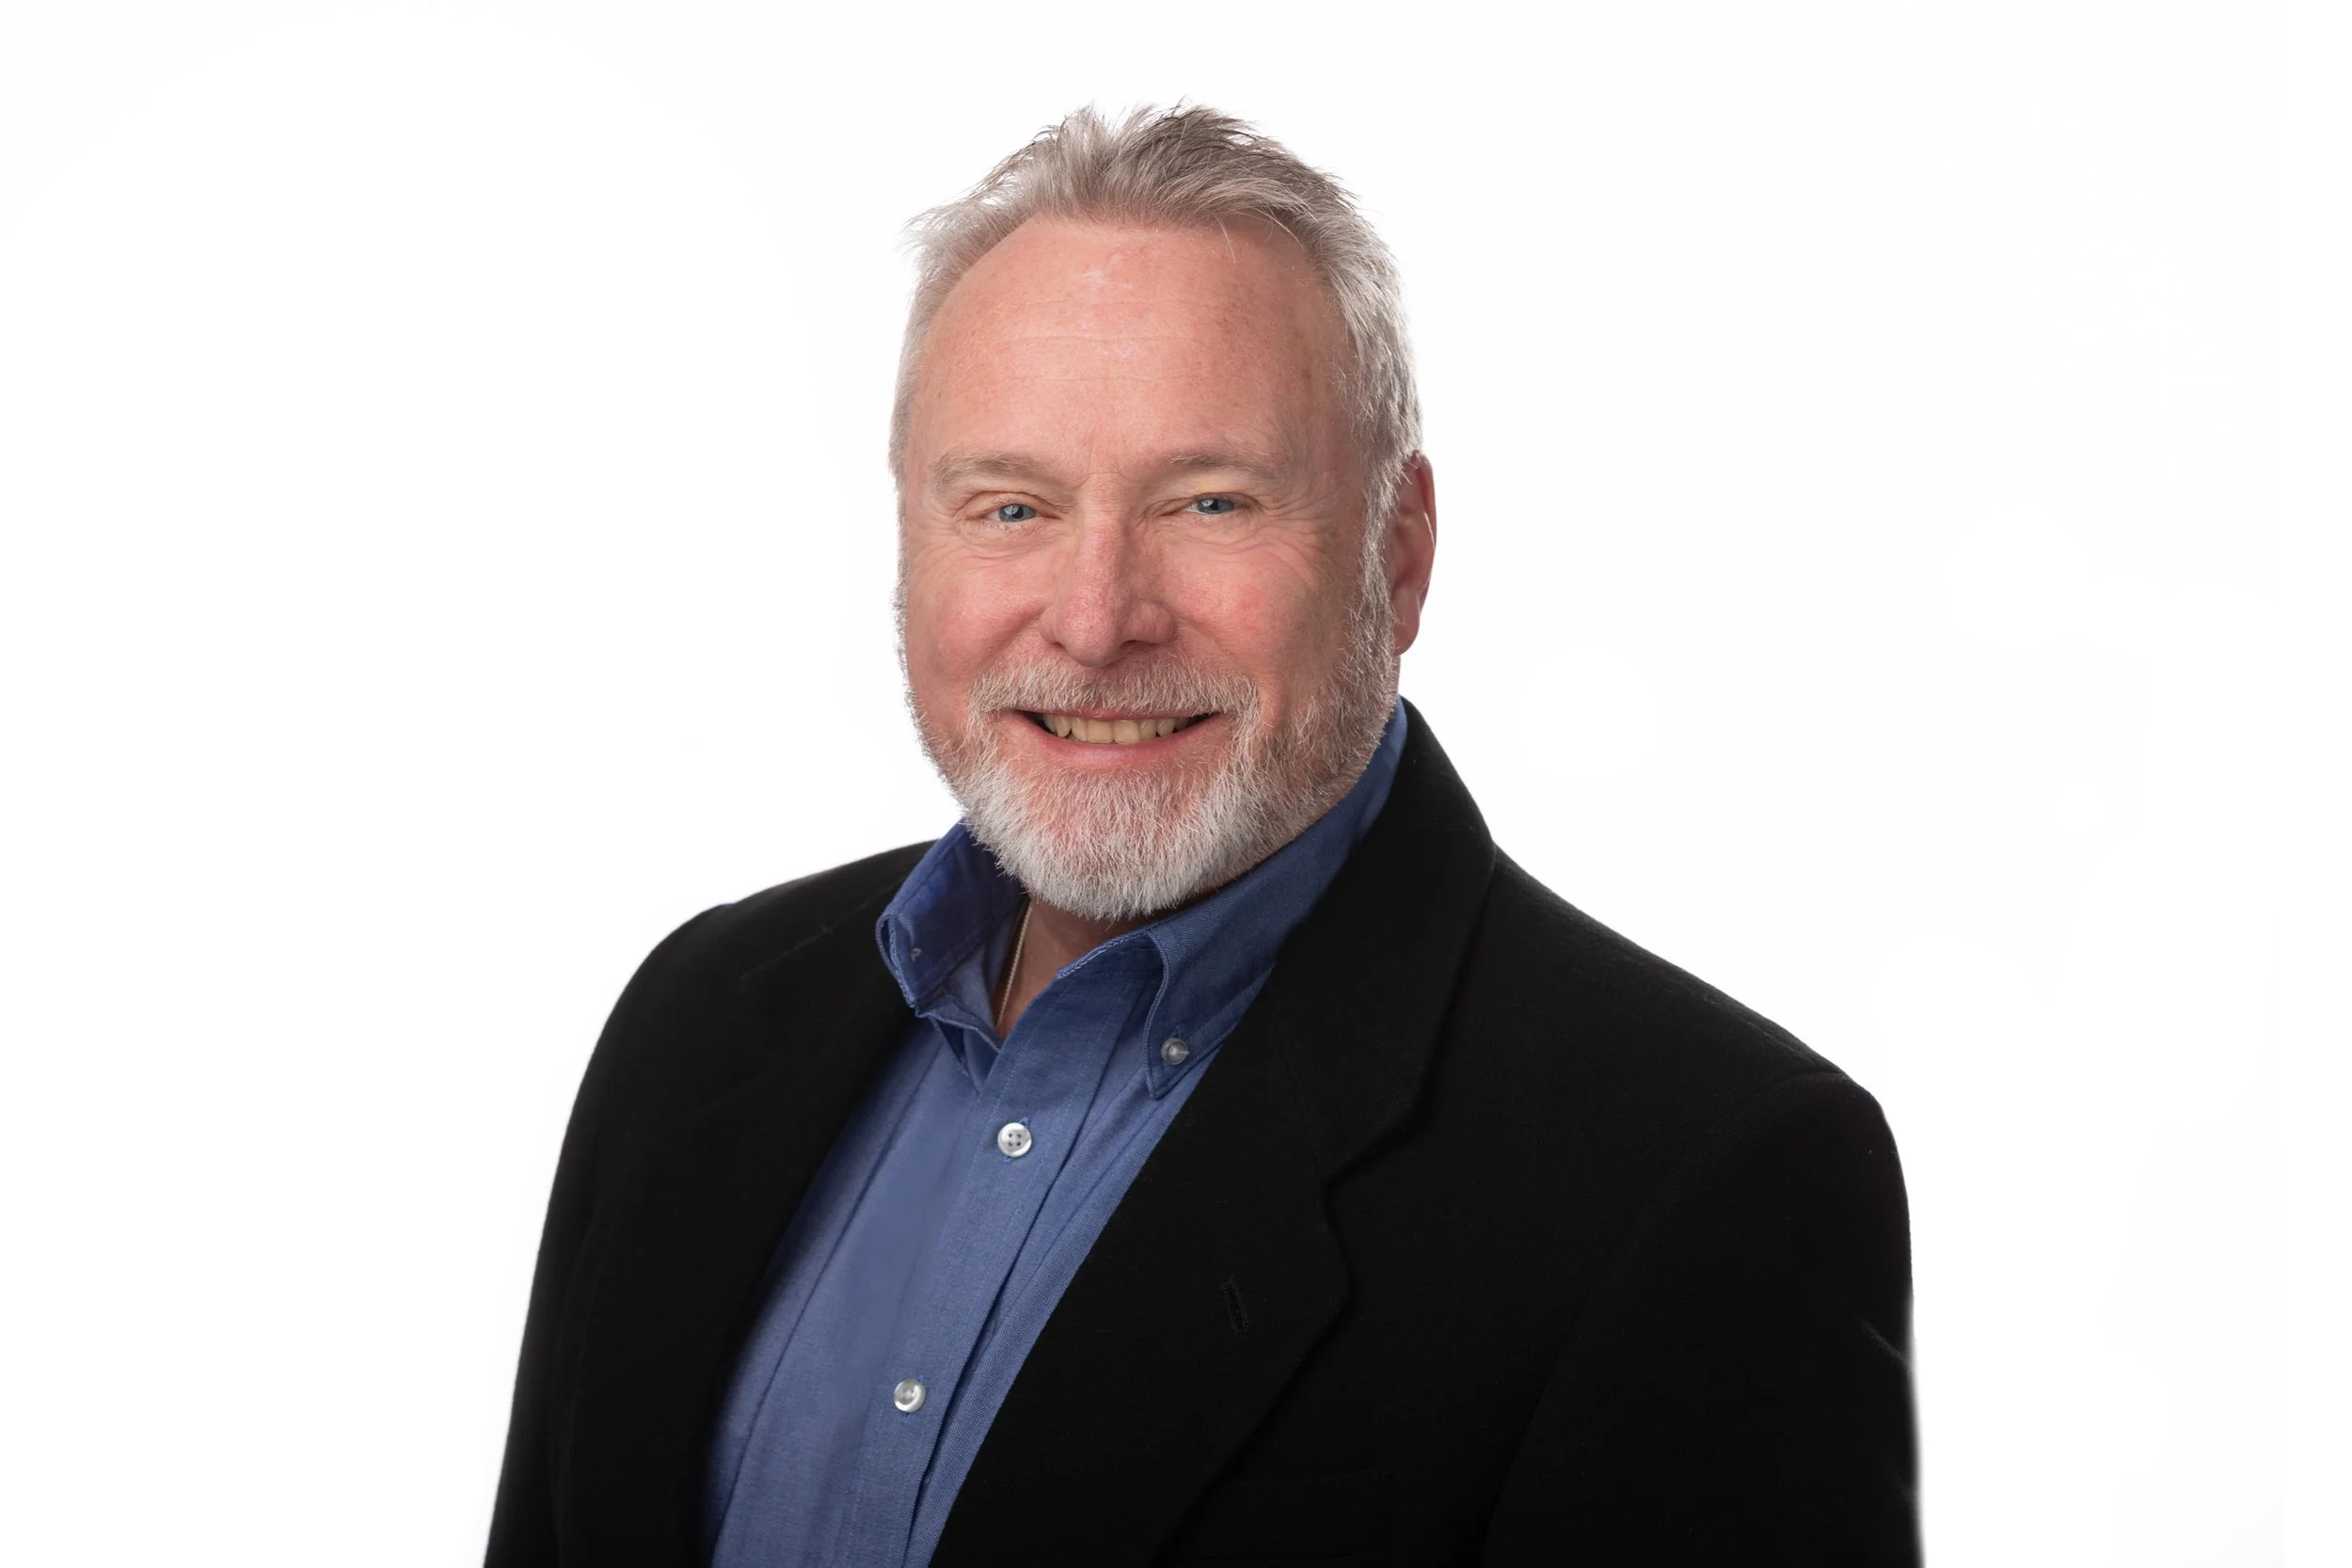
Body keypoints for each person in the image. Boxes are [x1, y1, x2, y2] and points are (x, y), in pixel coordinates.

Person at [485, 104, 1918, 1567]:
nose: (1098, 617)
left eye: (1211, 500)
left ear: (1399, 557)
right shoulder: (702, 1021)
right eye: (1013, 504)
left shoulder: (1705, 1182)